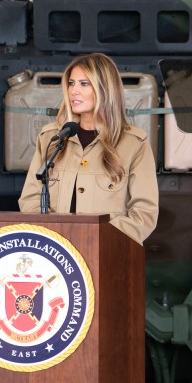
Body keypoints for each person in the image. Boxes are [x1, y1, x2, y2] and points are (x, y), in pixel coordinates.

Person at [18, 53, 159, 244]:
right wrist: (51, 239)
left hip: (109, 253)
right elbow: (30, 199)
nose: (74, 91)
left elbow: (144, 214)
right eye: (71, 83)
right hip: (57, 254)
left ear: (105, 89)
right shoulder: (51, 138)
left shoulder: (134, 144)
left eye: (84, 84)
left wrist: (95, 238)